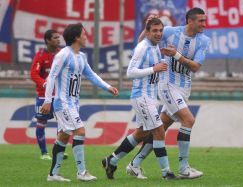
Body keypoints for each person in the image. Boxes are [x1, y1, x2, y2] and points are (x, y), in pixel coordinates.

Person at [126, 7, 211, 179]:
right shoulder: (171, 32)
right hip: (167, 85)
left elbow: (195, 67)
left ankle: (134, 164)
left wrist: (177, 55)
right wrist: (146, 28)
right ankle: (184, 168)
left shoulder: (203, 40)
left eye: (204, 20)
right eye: (201, 20)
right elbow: (144, 42)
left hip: (184, 88)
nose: (204, 24)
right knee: (188, 120)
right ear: (190, 21)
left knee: (160, 129)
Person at [40, 23, 118, 182]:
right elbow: (52, 77)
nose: (86, 36)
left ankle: (53, 175)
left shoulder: (81, 57)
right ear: (76, 37)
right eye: (84, 34)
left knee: (63, 137)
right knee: (80, 132)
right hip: (63, 103)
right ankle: (82, 173)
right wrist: (47, 100)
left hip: (73, 103)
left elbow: (91, 75)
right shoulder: (63, 54)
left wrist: (107, 86)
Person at [102, 18, 176, 180]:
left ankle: (111, 160)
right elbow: (130, 72)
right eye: (154, 31)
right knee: (159, 130)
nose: (158, 33)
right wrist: (153, 69)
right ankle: (166, 173)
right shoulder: (143, 47)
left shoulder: (154, 46)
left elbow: (142, 43)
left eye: (160, 30)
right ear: (148, 32)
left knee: (141, 133)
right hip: (141, 96)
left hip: (150, 96)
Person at [30, 29, 68, 160]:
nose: (58, 39)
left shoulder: (61, 54)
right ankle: (44, 153)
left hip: (59, 95)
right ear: (47, 40)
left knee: (62, 123)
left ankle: (58, 151)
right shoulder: (40, 55)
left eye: (59, 37)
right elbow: (34, 74)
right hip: (43, 96)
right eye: (55, 37)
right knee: (41, 122)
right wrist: (45, 84)